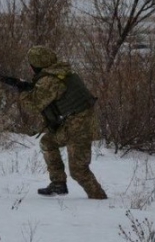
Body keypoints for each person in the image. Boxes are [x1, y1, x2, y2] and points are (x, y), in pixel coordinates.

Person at [20, 45, 107, 199]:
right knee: (47, 142)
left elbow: (32, 106)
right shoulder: (63, 72)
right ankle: (58, 184)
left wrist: (22, 92)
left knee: (79, 170)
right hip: (76, 124)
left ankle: (99, 199)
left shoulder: (50, 80)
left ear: (36, 64)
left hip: (78, 128)